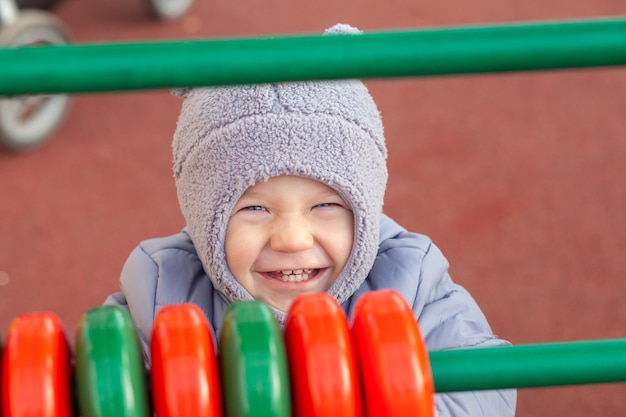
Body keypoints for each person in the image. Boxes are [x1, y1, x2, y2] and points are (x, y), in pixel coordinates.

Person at [104, 23, 517, 417]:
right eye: (254, 209)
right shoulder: (161, 294)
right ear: (203, 218)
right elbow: (103, 385)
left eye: (324, 206)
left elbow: (489, 386)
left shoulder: (408, 280)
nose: (292, 238)